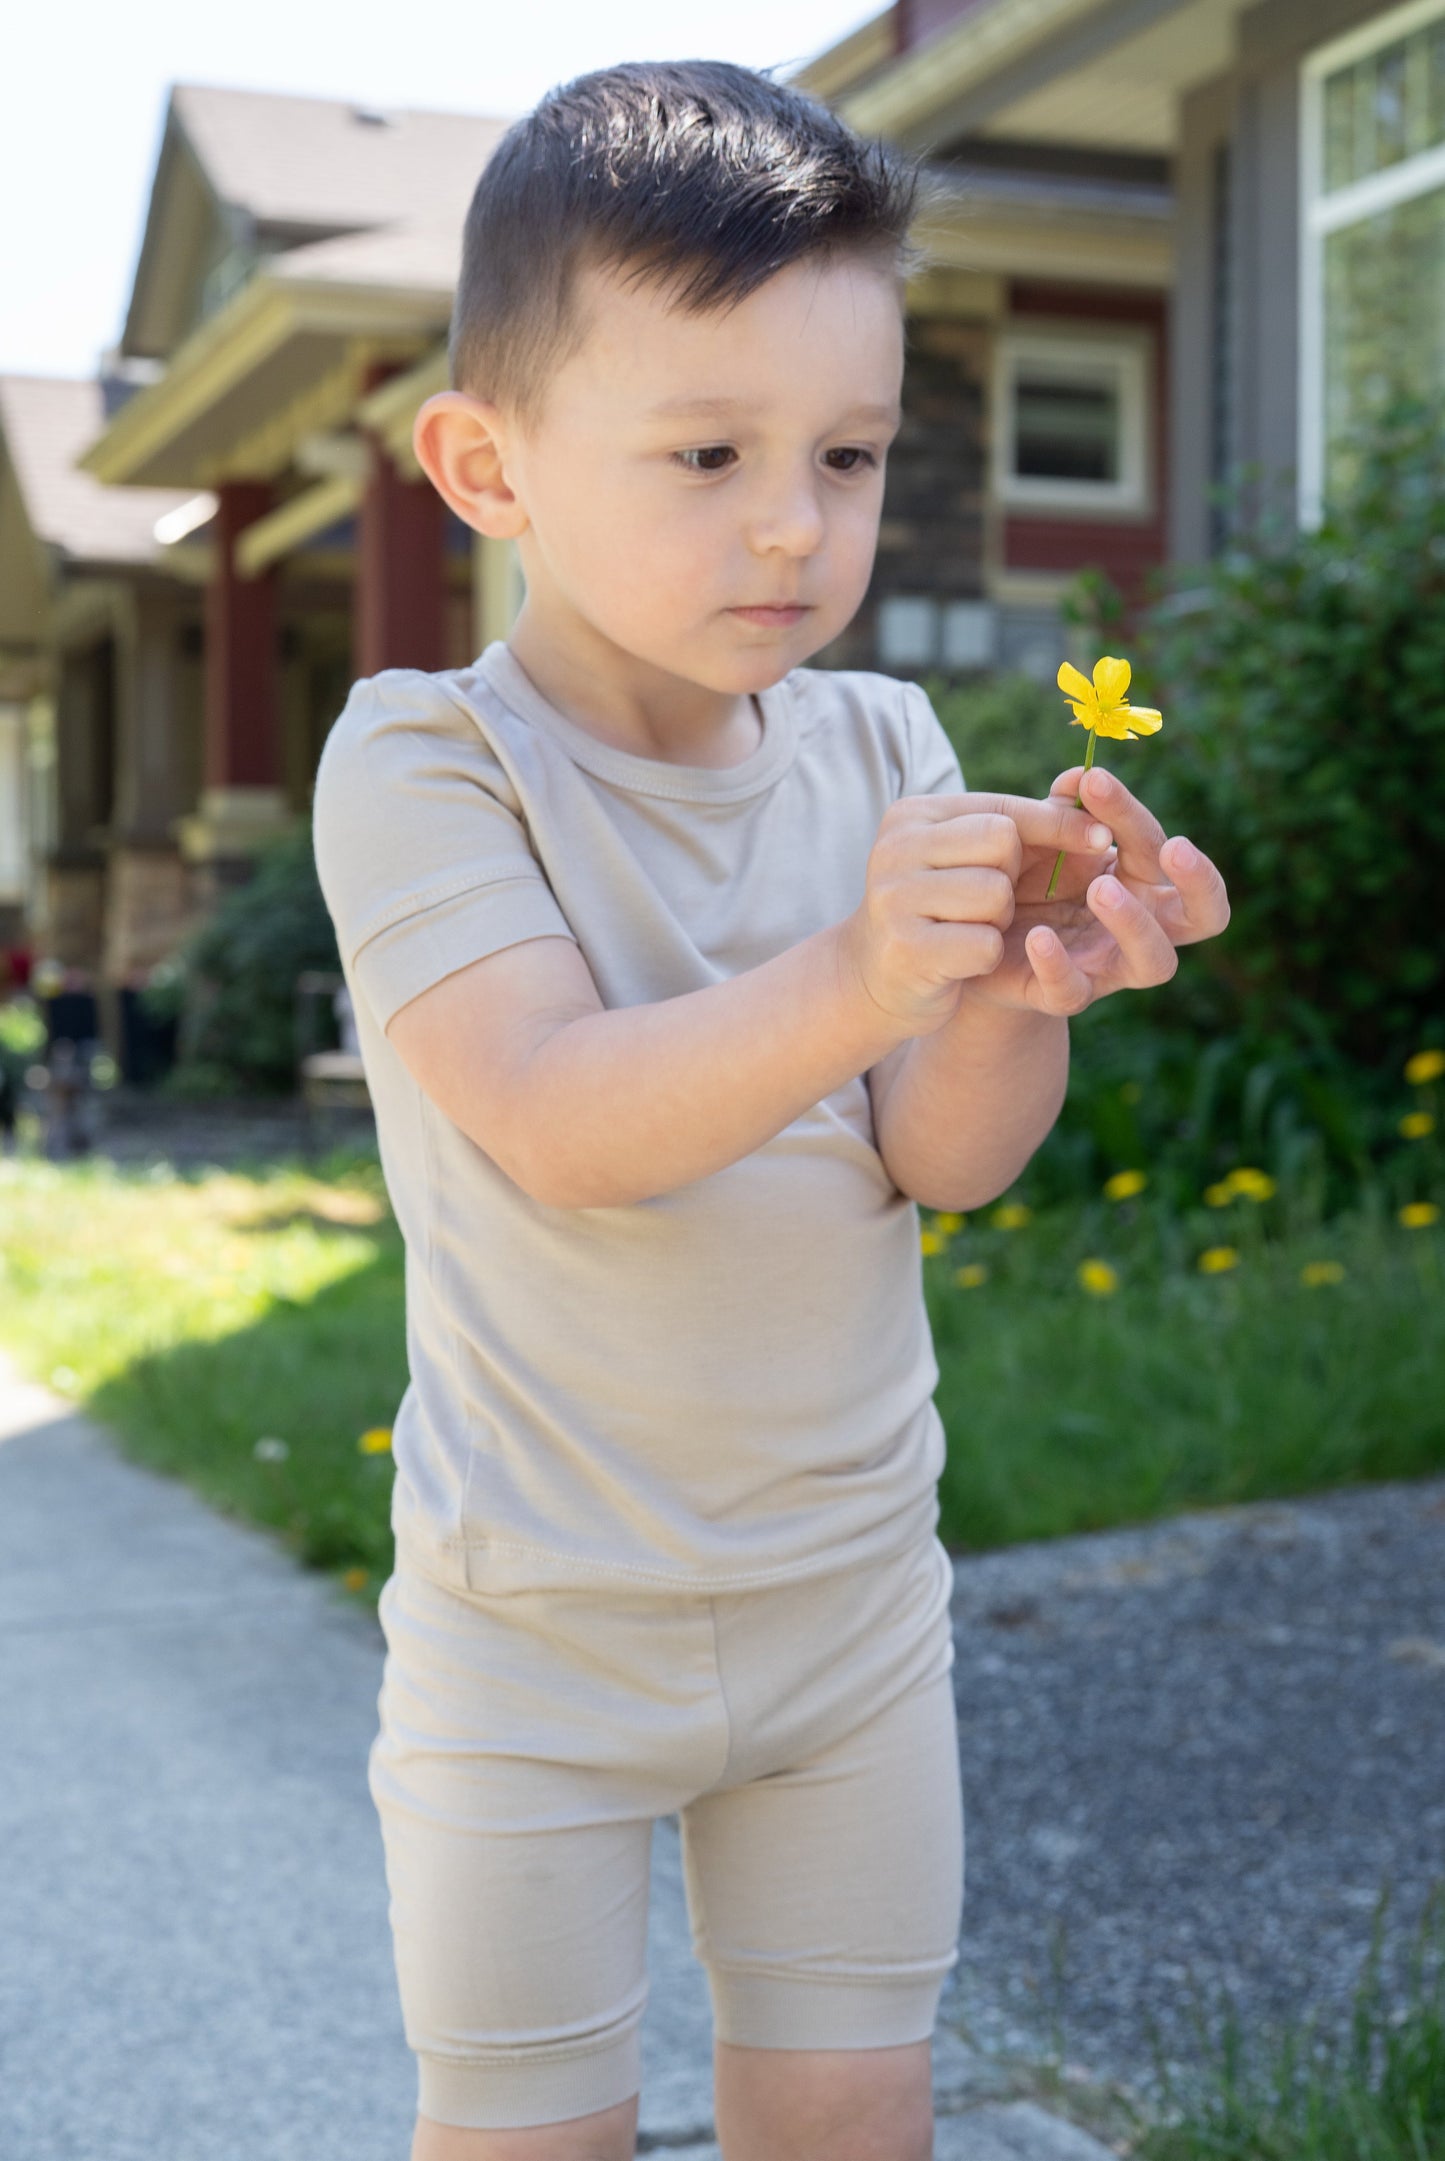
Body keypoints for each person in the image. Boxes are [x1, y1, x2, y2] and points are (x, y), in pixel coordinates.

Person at [310, 57, 1229, 2161]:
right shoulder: (430, 761)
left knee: (853, 2116)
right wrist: (857, 968)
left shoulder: (886, 740)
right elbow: (552, 1112)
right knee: (528, 2128)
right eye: (708, 451)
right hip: (532, 1642)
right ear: (489, 463)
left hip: (850, 1622)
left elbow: (940, 1156)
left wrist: (1009, 988)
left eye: (848, 450)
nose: (796, 521)